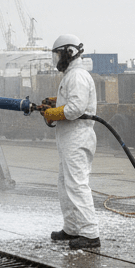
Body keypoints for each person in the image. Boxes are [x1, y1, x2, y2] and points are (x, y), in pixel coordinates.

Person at [41, 33, 100, 250]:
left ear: (69, 52)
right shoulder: (71, 76)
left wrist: (52, 113)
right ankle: (72, 228)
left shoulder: (77, 76)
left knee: (76, 184)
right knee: (65, 184)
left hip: (77, 138)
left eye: (58, 55)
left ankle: (90, 234)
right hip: (69, 139)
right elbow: (72, 101)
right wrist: (55, 103)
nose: (56, 60)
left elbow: (75, 109)